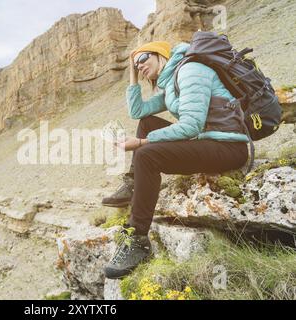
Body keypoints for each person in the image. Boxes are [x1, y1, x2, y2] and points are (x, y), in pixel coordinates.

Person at [103, 41, 249, 279]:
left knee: (146, 155)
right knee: (147, 122)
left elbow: (191, 126)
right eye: (136, 63)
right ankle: (133, 183)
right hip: (207, 141)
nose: (140, 66)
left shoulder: (190, 71)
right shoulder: (172, 82)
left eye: (143, 59)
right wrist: (132, 75)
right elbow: (138, 112)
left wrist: (140, 143)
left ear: (161, 55)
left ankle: (138, 240)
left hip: (228, 147)